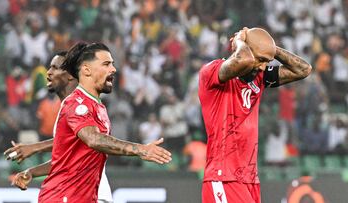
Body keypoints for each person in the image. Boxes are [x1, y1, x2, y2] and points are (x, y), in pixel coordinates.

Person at [37, 42, 170, 203]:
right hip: (63, 197)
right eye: (106, 64)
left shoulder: (98, 107)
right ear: (86, 70)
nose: (113, 69)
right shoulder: (76, 103)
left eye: (112, 64)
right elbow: (93, 139)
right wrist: (140, 149)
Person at [198, 27, 312, 203]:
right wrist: (239, 42)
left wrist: (270, 49)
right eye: (260, 60)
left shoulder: (258, 77)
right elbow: (243, 59)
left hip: (249, 179)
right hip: (223, 177)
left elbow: (303, 69)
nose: (263, 66)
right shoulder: (212, 72)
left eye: (267, 61)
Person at [4, 51, 114, 203]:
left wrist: (35, 147)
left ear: (70, 75)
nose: (48, 72)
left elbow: (89, 140)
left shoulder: (82, 104)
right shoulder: (67, 107)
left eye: (55, 68)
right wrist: (31, 172)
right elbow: (65, 161)